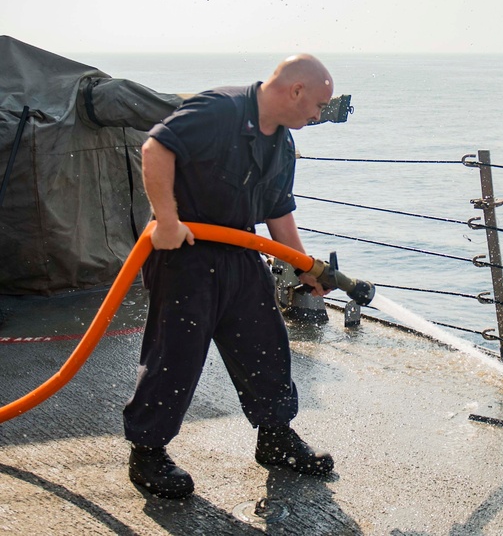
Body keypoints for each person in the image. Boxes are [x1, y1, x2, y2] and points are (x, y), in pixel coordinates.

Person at [124, 53, 349, 499]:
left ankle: (276, 438)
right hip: (185, 253)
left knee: (266, 344)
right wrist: (166, 220)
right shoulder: (218, 109)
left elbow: (278, 211)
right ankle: (147, 453)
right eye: (317, 105)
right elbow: (156, 148)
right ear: (295, 90)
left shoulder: (282, 143)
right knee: (177, 354)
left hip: (241, 254)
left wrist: (306, 269)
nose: (319, 114)